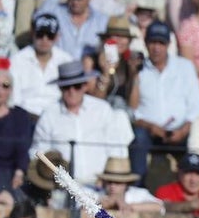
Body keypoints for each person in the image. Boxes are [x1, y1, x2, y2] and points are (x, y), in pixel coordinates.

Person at [30, 60, 132, 188]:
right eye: (66, 87)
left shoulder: (102, 110)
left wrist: (111, 179)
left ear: (85, 85)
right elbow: (38, 152)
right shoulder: (49, 115)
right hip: (64, 188)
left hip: (101, 185)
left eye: (76, 86)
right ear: (60, 88)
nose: (72, 91)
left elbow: (116, 148)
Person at [128, 20, 199, 184]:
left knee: (198, 136)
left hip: (180, 130)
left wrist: (183, 130)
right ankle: (137, 186)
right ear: (146, 44)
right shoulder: (140, 68)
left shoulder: (184, 66)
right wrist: (134, 75)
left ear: (168, 44)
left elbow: (196, 105)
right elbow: (133, 110)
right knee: (138, 138)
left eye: (161, 43)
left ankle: (194, 187)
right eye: (152, 42)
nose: (156, 48)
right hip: (150, 130)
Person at [9, 13, 71, 117]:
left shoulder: (66, 60)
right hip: (25, 115)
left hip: (58, 115)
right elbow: (14, 99)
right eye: (40, 35)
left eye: (50, 36)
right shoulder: (17, 60)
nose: (44, 40)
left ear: (57, 37)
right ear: (32, 34)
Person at [37, 0, 107, 62]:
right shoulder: (57, 12)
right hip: (60, 67)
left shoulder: (101, 20)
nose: (75, 2)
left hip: (89, 70)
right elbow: (38, 18)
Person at [94, 155, 163, 214]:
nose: (112, 186)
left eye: (118, 182)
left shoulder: (139, 193)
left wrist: (129, 206)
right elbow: (84, 207)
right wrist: (109, 204)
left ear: (127, 183)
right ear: (104, 182)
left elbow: (159, 207)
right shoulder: (95, 193)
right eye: (109, 182)